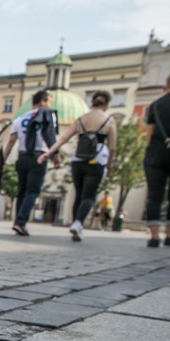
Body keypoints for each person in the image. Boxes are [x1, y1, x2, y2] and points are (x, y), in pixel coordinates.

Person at [39, 91, 116, 242]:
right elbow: (113, 147)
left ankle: (76, 225)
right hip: (97, 161)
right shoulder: (109, 121)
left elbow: (63, 138)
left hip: (78, 160)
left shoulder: (81, 120)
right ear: (106, 104)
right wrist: (109, 164)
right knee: (89, 195)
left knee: (79, 194)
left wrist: (48, 153)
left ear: (92, 102)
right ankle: (78, 223)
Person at [3, 90, 61, 236]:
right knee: (32, 191)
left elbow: (11, 142)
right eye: (48, 102)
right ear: (42, 101)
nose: (49, 105)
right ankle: (20, 222)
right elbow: (50, 135)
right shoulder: (48, 114)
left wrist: (2, 160)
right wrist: (55, 154)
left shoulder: (20, 118)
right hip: (38, 155)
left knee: (22, 191)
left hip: (21, 156)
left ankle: (18, 221)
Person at [143, 73, 170, 248]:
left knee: (154, 196)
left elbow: (149, 134)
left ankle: (154, 237)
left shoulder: (155, 105)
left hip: (156, 153)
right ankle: (169, 236)